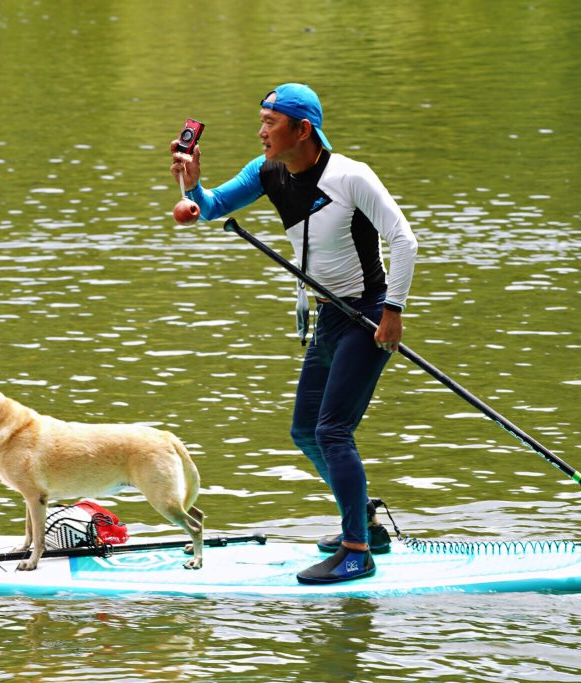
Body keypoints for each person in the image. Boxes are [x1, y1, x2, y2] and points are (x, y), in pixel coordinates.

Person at [169, 83, 418, 584]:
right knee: (305, 430)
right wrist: (193, 187)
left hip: (367, 315)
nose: (261, 131)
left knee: (332, 430)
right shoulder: (269, 171)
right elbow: (212, 206)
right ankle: (366, 521)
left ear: (302, 129)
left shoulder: (351, 176)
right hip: (329, 317)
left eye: (271, 122)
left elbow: (404, 240)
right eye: (261, 120)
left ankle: (356, 551)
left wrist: (393, 311)